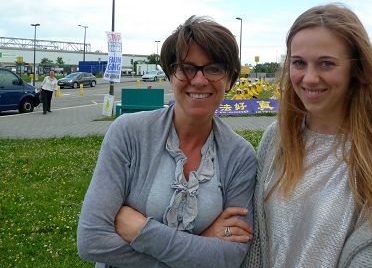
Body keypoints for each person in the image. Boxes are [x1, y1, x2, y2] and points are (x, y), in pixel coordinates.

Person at [243, 4, 372, 267]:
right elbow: (259, 242)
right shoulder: (276, 139)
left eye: (326, 64)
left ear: (356, 69)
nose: (309, 78)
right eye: (298, 63)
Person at [78, 16, 257, 267]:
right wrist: (202, 245)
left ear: (229, 79)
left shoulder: (240, 156)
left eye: (214, 68)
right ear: (170, 74)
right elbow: (92, 239)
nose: (199, 80)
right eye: (186, 67)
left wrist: (142, 231)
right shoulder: (129, 133)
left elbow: (232, 255)